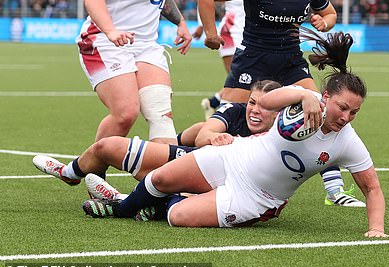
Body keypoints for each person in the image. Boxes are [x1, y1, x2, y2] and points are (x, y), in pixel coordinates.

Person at [82, 30, 388, 237]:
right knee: (159, 177)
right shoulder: (298, 99)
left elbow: (371, 188)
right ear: (326, 96)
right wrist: (302, 95)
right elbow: (264, 100)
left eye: (354, 112)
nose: (346, 118)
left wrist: (376, 229)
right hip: (233, 156)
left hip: (255, 197)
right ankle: (123, 208)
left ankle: (138, 202)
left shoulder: (348, 141)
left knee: (179, 217)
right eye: (342, 108)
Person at [197, 0, 361, 206]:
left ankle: (335, 191)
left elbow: (330, 12)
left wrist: (326, 21)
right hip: (253, 58)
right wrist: (211, 35)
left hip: (290, 61)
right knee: (229, 119)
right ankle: (187, 164)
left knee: (323, 111)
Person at [32, 80, 282, 194]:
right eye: (252, 102)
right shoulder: (235, 111)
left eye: (266, 106)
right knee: (107, 147)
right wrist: (212, 138)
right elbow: (205, 132)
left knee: (155, 181)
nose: (255, 110)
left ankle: (126, 201)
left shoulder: (282, 135)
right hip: (198, 160)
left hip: (230, 189)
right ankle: (70, 174)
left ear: (279, 111)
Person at [77, 0, 192, 144]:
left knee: (161, 116)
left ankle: (159, 179)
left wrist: (180, 22)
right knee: (125, 114)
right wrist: (111, 30)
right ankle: (86, 170)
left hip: (146, 46)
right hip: (104, 41)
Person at [193, 0, 258, 119]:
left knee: (246, 79)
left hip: (251, 35)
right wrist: (203, 26)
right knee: (239, 80)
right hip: (230, 33)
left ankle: (214, 103)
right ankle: (227, 117)